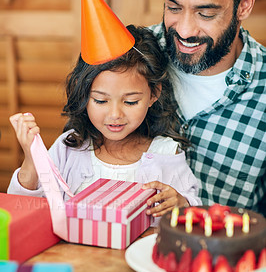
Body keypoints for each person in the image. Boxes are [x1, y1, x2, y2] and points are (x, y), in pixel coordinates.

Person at [7, 25, 201, 218]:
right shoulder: (69, 148)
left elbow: (193, 208)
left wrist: (181, 203)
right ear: (84, 95)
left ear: (154, 94)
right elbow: (22, 208)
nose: (115, 114)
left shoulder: (166, 154)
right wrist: (32, 159)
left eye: (131, 101)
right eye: (100, 100)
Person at [149, 0, 266, 216]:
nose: (184, 31)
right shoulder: (129, 56)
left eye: (205, 14)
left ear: (244, 5)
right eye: (173, 8)